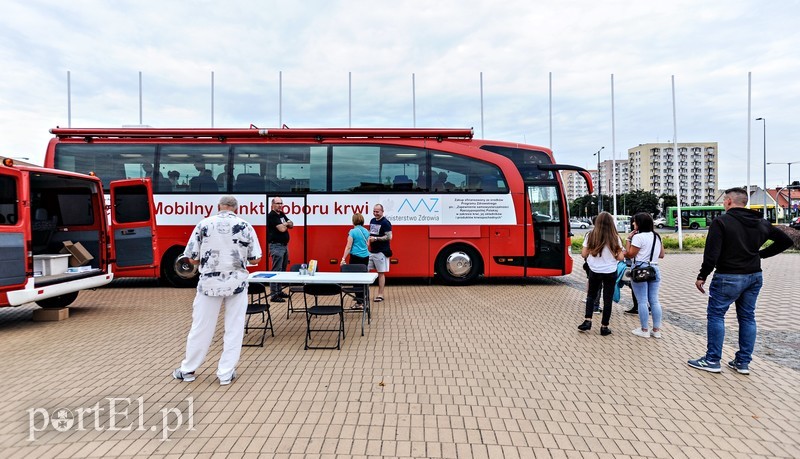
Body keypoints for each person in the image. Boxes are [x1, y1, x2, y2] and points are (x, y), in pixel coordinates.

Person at [688, 187, 793, 374]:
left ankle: (712, 360)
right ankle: (742, 362)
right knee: (747, 317)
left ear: (729, 201)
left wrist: (702, 275)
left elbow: (712, 253)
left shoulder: (721, 222)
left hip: (728, 276)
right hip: (754, 276)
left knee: (716, 315)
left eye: (724, 201)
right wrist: (760, 255)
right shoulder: (760, 221)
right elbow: (786, 241)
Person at [172, 196, 262, 386]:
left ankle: (188, 370)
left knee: (201, 327)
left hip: (209, 285)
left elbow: (193, 259)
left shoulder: (204, 225)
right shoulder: (245, 226)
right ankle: (225, 373)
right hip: (237, 284)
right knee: (234, 328)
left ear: (218, 207)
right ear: (236, 209)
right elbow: (255, 259)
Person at [578, 211, 625, 336]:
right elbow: (620, 257)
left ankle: (587, 321)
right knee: (607, 299)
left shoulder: (590, 235)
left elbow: (583, 254)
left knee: (591, 296)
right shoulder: (615, 237)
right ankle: (604, 327)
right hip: (610, 271)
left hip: (594, 270)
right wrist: (614, 254)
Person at [625, 212, 665, 339]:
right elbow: (661, 255)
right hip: (654, 268)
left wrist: (628, 240)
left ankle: (644, 329)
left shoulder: (638, 237)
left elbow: (630, 254)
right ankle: (657, 330)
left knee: (642, 300)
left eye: (635, 221)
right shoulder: (656, 236)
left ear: (639, 223)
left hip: (640, 270)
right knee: (654, 300)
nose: (633, 223)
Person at [340, 212, 371, 305]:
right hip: (365, 257)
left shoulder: (352, 232)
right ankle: (364, 298)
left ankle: (359, 302)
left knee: (356, 279)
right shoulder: (366, 231)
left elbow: (348, 246)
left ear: (353, 221)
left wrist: (343, 258)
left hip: (355, 257)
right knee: (363, 278)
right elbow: (368, 244)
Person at [267, 197, 293, 302]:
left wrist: (285, 224)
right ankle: (274, 295)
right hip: (276, 246)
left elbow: (291, 224)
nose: (279, 205)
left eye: (281, 203)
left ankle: (279, 291)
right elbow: (282, 229)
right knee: (276, 270)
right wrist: (286, 224)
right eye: (277, 203)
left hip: (284, 246)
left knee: (282, 270)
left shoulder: (281, 214)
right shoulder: (272, 216)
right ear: (272, 204)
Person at [367, 203, 392, 302]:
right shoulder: (372, 221)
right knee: (365, 271)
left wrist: (376, 239)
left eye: (377, 211)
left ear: (382, 211)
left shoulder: (386, 223)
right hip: (371, 251)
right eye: (374, 211)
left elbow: (389, 237)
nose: (375, 213)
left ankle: (380, 295)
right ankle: (364, 294)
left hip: (381, 251)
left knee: (380, 273)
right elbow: (370, 232)